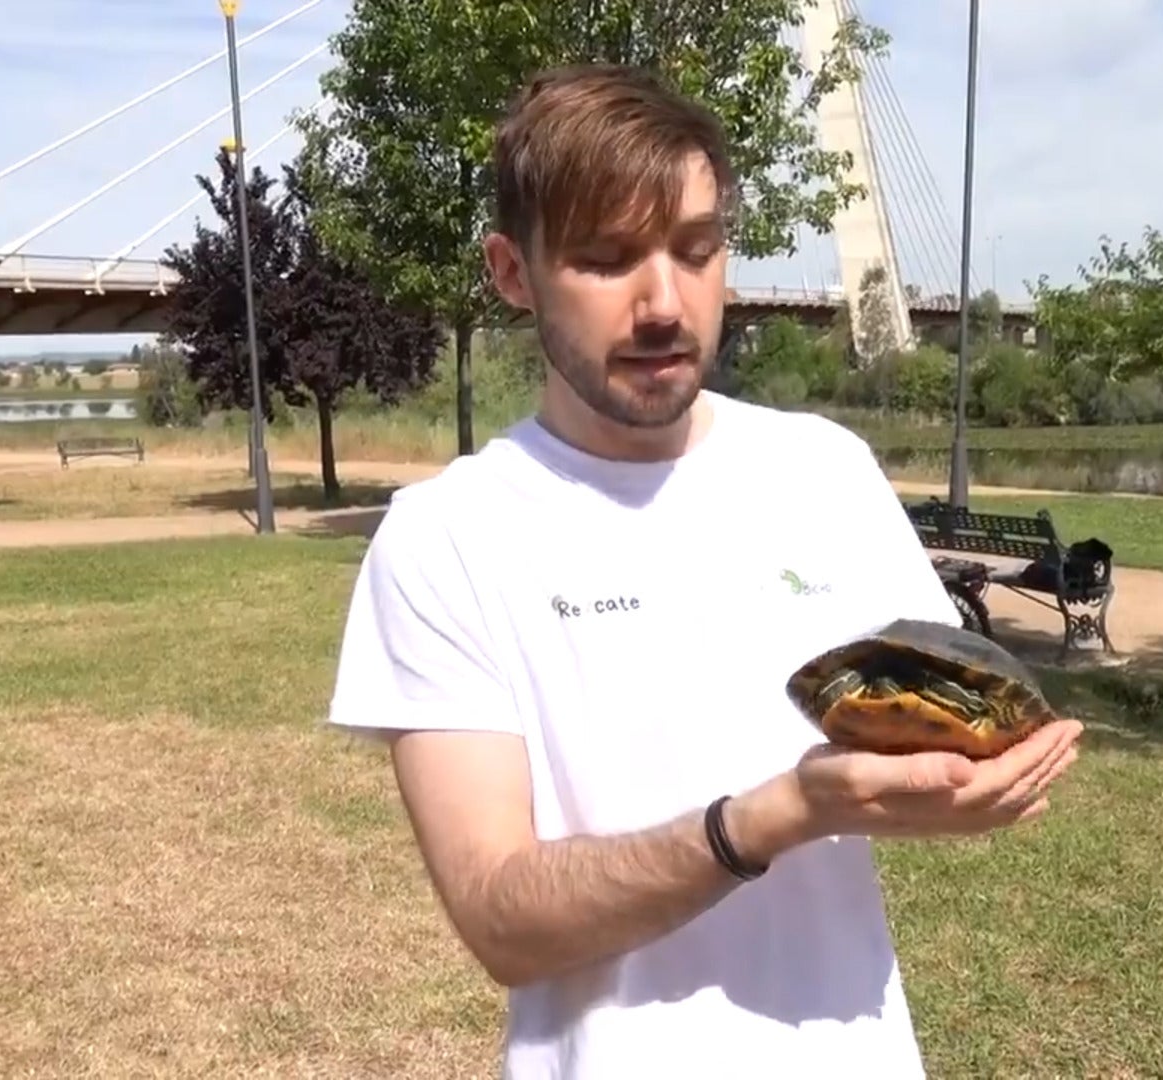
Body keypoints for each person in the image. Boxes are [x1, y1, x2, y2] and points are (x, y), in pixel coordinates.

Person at [327, 63, 1084, 1079]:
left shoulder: (823, 470)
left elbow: (924, 729)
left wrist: (967, 777)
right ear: (512, 273)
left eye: (697, 250)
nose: (663, 305)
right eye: (605, 258)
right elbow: (500, 917)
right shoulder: (444, 538)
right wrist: (768, 820)